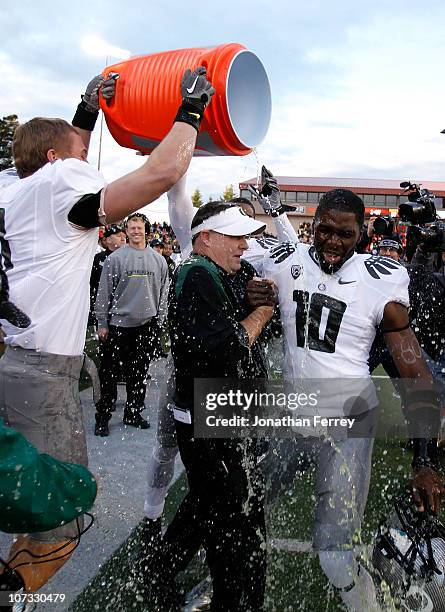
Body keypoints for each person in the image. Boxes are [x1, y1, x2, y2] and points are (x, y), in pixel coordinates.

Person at [0, 65, 215, 593]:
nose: (84, 157)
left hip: (11, 355)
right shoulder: (59, 180)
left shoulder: (11, 185)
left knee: (22, 496)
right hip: (42, 373)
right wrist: (190, 113)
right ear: (55, 161)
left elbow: (58, 153)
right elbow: (158, 175)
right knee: (62, 521)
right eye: (76, 152)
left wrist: (88, 108)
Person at [261, 178, 444, 610]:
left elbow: (415, 375)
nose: (332, 241)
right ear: (314, 225)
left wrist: (424, 461)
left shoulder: (382, 280)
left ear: (361, 234)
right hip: (291, 412)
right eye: (325, 229)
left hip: (349, 419)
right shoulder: (283, 261)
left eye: (345, 233)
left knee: (336, 555)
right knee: (244, 508)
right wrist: (252, 296)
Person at [150, 202, 274, 610]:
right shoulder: (198, 274)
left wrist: (253, 295)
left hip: (219, 411)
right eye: (235, 236)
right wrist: (261, 312)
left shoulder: (218, 271)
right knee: (229, 519)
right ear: (206, 238)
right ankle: (228, 599)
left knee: (210, 502)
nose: (244, 244)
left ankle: (160, 568)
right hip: (207, 415)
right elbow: (227, 346)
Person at [94, 213, 169, 435]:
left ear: (146, 230)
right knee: (109, 376)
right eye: (132, 227)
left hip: (146, 325)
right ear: (126, 231)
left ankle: (133, 413)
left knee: (139, 373)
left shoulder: (159, 260)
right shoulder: (115, 259)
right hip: (118, 326)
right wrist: (102, 322)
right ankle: (103, 417)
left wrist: (159, 321)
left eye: (140, 227)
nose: (136, 231)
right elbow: (104, 292)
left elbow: (164, 293)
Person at [89, 224, 126, 326]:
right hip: (104, 305)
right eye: (119, 236)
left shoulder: (129, 257)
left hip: (124, 306)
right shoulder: (98, 258)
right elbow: (91, 283)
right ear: (108, 240)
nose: (123, 238)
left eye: (124, 236)